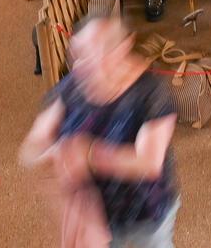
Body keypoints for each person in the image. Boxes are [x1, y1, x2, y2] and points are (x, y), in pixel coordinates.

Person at [21, 14, 180, 247]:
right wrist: (51, 152)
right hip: (98, 216)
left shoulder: (151, 93)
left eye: (96, 53)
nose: (82, 65)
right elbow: (31, 147)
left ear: (122, 49)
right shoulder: (71, 88)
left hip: (146, 210)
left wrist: (88, 154)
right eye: (79, 54)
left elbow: (149, 163)